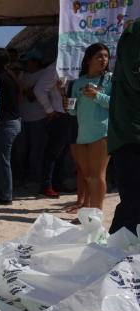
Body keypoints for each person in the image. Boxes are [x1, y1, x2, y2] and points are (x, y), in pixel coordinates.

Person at [66, 43, 112, 211]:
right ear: (88, 60)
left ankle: (96, 215)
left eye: (106, 56)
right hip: (82, 134)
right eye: (99, 56)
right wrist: (67, 103)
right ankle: (88, 213)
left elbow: (117, 104)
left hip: (102, 132)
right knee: (87, 176)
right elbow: (73, 112)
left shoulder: (110, 79)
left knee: (97, 176)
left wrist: (97, 95)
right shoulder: (79, 82)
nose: (103, 59)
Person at [108, 21, 140, 235]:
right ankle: (115, 252)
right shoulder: (135, 33)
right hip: (133, 135)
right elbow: (136, 76)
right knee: (134, 204)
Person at [35, 59, 77, 198]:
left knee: (62, 153)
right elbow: (39, 89)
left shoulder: (75, 65)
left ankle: (57, 183)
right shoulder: (56, 67)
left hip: (71, 115)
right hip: (60, 116)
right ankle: (46, 185)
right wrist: (49, 110)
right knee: (52, 153)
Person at [0, 48, 22, 205]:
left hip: (6, 123)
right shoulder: (11, 77)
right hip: (15, 121)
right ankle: (3, 192)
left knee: (2, 160)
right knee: (4, 159)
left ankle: (5, 195)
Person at [12, 50, 47, 189]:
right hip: (22, 118)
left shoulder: (44, 74)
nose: (25, 65)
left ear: (35, 62)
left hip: (38, 118)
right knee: (20, 151)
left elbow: (33, 95)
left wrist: (22, 88)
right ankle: (20, 177)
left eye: (27, 62)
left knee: (36, 151)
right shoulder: (23, 75)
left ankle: (34, 178)